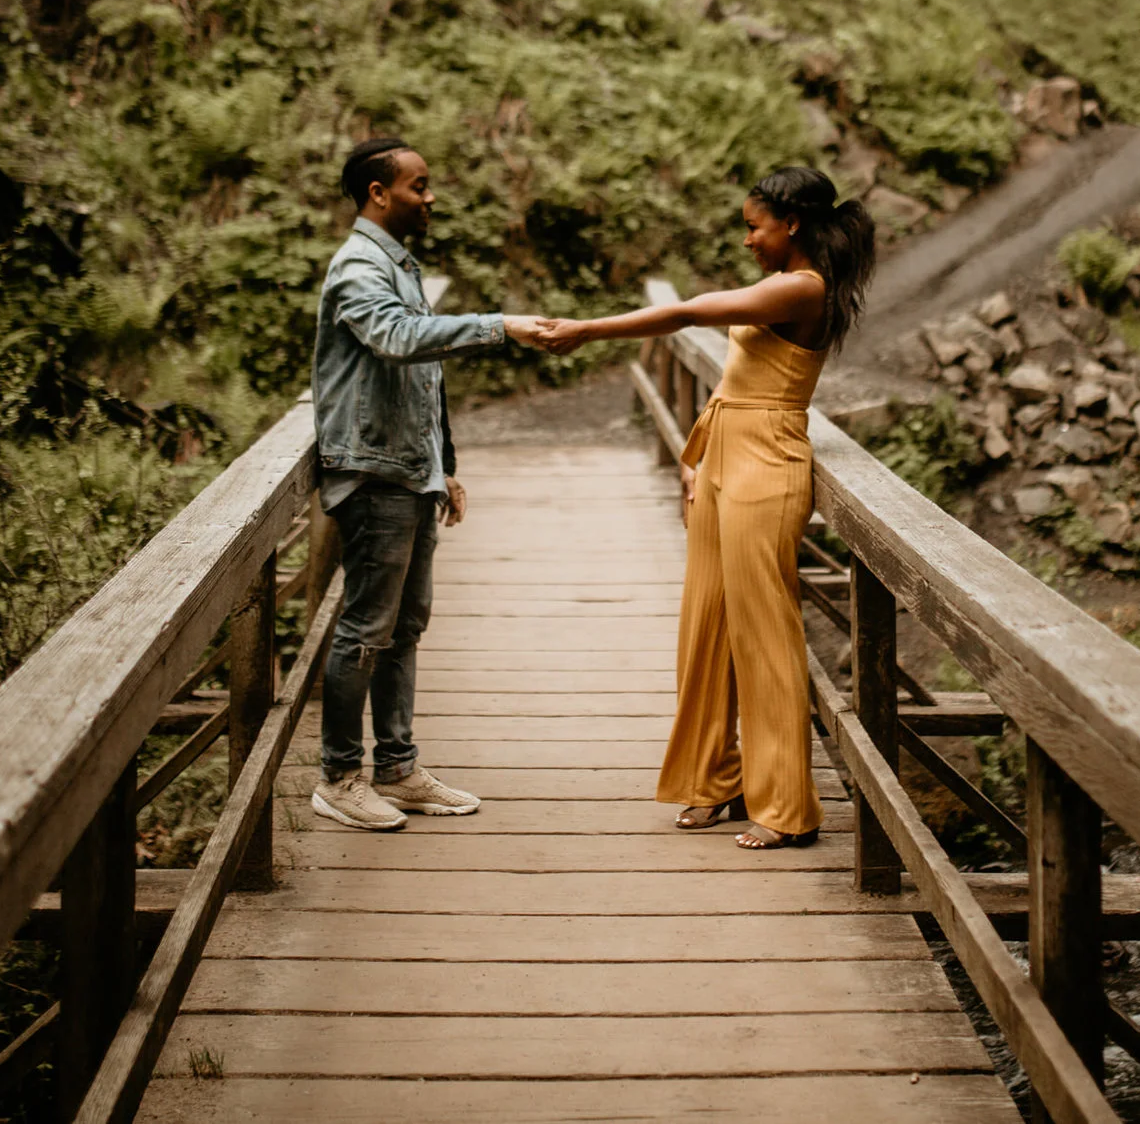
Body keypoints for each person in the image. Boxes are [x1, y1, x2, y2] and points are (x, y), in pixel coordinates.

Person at [539, 166, 875, 849]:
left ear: (794, 226)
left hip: (768, 460)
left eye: (755, 226)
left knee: (764, 633)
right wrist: (696, 458)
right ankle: (715, 779)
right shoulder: (782, 281)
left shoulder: (802, 287)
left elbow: (689, 311)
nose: (748, 238)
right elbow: (735, 373)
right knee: (707, 624)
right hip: (726, 451)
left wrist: (588, 329)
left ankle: (784, 806)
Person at [310, 135, 555, 832]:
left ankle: (397, 767)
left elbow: (419, 373)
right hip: (373, 473)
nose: (431, 195)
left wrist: (441, 462)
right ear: (377, 193)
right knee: (365, 628)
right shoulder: (359, 266)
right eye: (419, 185)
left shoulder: (398, 262)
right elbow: (394, 337)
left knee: (404, 626)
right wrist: (500, 324)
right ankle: (338, 776)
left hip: (407, 470)